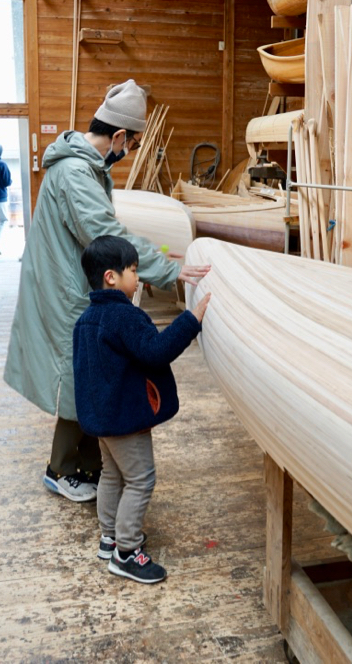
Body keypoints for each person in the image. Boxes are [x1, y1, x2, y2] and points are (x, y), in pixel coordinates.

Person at [3, 79, 210, 502]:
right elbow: (102, 234)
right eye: (131, 144)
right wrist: (167, 270)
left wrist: (157, 256)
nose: (129, 151)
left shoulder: (85, 168)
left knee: (90, 373)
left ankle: (88, 465)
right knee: (78, 375)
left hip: (70, 279)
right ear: (118, 136)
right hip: (64, 287)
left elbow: (104, 229)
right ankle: (62, 470)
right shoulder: (76, 173)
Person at [73, 236, 211, 583]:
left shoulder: (86, 319)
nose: (138, 277)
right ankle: (126, 552)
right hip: (126, 420)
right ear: (111, 277)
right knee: (141, 479)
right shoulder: (124, 317)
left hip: (102, 420)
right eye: (133, 271)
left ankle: (109, 538)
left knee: (112, 475)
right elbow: (157, 351)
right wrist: (191, 319)